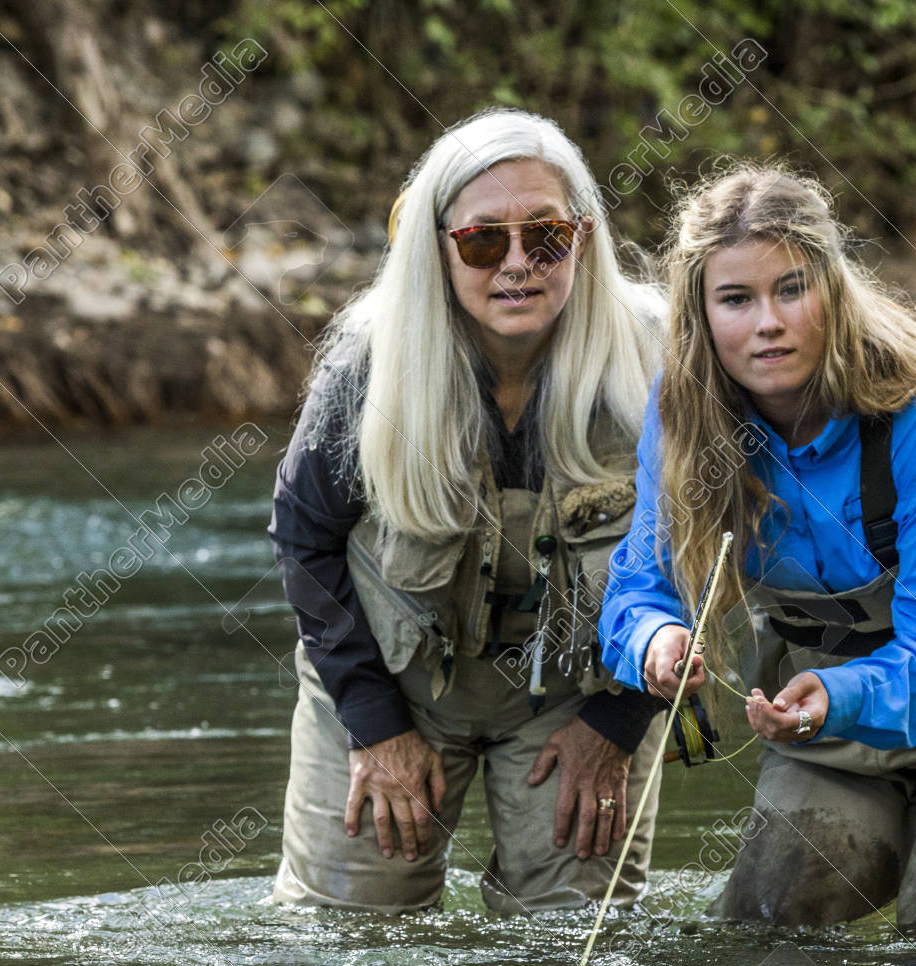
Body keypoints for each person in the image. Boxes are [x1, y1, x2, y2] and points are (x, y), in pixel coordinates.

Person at [599, 165, 916, 926]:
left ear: (833, 292)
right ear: (700, 316)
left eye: (792, 289)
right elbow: (640, 588)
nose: (767, 322)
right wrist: (657, 642)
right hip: (832, 729)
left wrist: (831, 698)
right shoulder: (682, 415)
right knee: (766, 938)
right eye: (736, 299)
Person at [267, 109, 667, 914]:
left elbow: (703, 550)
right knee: (352, 946)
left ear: (583, 240)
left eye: (547, 236)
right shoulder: (369, 366)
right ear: (438, 248)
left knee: (572, 945)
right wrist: (375, 728)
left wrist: (617, 725)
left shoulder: (657, 356)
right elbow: (303, 538)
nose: (518, 265)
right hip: (389, 675)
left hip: (576, 692)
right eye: (484, 241)